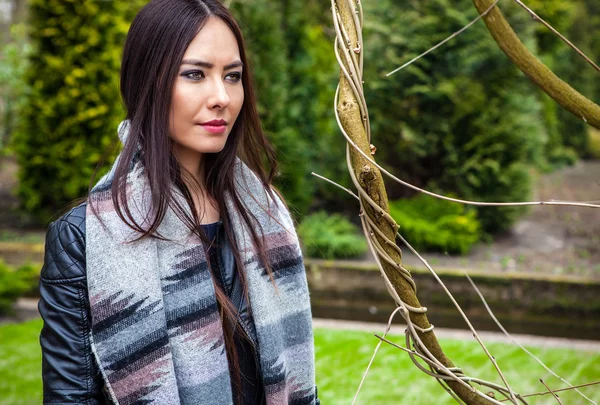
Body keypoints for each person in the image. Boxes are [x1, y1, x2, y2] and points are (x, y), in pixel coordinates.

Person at [38, 0, 319, 404]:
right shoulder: (83, 239)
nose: (222, 96)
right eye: (195, 74)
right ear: (146, 81)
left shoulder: (264, 216)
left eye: (233, 76)